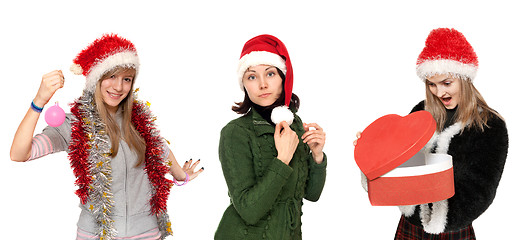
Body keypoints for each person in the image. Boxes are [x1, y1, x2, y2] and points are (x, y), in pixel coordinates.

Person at [10, 34, 203, 240]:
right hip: (96, 234)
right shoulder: (76, 125)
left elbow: (160, 149)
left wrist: (182, 176)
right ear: (96, 78)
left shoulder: (139, 122)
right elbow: (19, 153)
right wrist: (39, 101)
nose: (119, 87)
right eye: (111, 76)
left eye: (126, 79)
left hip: (145, 232)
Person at [357, 28, 508, 239]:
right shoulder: (421, 112)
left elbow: (481, 189)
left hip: (453, 228)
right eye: (432, 84)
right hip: (410, 226)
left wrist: (441, 220)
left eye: (447, 83)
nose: (439, 92)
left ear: (464, 79)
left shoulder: (489, 125)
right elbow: (399, 163)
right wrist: (374, 150)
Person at [214, 34, 327, 239]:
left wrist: (317, 157)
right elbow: (249, 210)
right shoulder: (235, 133)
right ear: (244, 85)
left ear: (283, 78)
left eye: (270, 74)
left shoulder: (295, 126)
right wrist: (282, 160)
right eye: (252, 76)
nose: (263, 84)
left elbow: (312, 195)